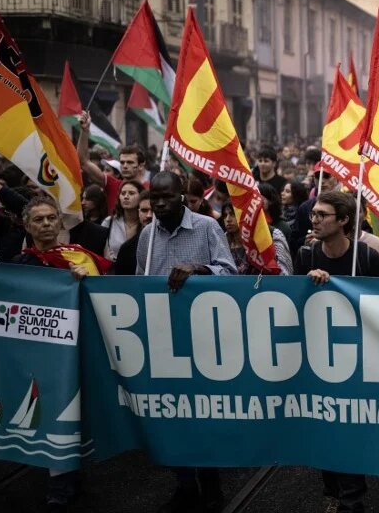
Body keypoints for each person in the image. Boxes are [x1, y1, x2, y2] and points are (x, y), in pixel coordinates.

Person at [136, 172, 237, 513]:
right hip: (163, 339)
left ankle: (211, 483)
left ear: (182, 195)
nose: (159, 203)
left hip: (203, 340)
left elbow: (229, 271)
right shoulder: (147, 236)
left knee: (202, 414)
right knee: (171, 416)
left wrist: (198, 269)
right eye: (155, 198)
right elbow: (139, 284)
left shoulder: (208, 228)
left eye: (167, 196)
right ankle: (184, 484)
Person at [12, 196, 108, 512]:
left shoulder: (78, 256)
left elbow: (103, 297)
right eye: (39, 220)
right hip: (35, 357)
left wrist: (86, 278)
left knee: (69, 415)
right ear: (27, 226)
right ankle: (61, 482)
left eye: (52, 218)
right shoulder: (18, 266)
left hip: (74, 352)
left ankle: (65, 481)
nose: (47, 224)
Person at [295, 190, 379, 512]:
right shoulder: (306, 256)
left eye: (323, 215)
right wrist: (307, 284)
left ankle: (352, 500)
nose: (314, 220)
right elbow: (293, 307)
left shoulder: (368, 258)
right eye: (314, 214)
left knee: (349, 431)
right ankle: (332, 491)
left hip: (358, 362)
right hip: (319, 361)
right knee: (324, 431)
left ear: (344, 220)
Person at [113, 190, 153, 275]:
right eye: (144, 210)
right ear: (138, 212)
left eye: (153, 210)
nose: (149, 215)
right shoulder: (127, 249)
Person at [102, 179, 143, 261]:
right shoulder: (109, 222)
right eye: (123, 193)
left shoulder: (146, 222)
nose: (126, 197)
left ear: (141, 196)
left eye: (131, 193)